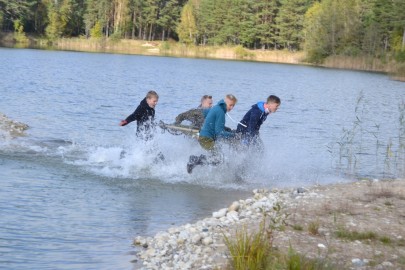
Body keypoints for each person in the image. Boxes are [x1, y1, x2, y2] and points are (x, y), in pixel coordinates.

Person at [187, 94, 238, 173]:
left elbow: (205, 113)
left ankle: (196, 160)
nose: (231, 108)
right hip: (206, 138)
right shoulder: (220, 112)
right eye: (230, 105)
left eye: (233, 106)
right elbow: (219, 132)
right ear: (225, 102)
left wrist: (228, 131)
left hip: (205, 137)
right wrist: (233, 135)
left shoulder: (216, 107)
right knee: (219, 159)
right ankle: (194, 160)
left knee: (217, 158)